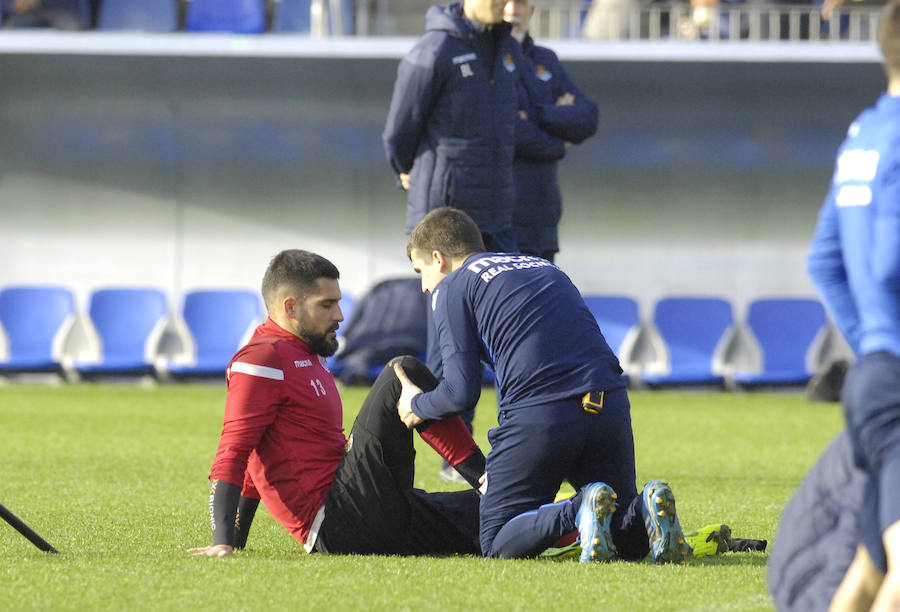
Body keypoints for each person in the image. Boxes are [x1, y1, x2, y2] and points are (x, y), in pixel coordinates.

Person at [394, 207, 692, 562]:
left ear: (439, 259)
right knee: (623, 536)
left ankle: (578, 507)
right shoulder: (542, 266)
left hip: (544, 412)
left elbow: (461, 391)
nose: (424, 286)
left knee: (498, 538)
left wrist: (417, 405)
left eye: (420, 270)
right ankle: (643, 507)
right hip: (608, 400)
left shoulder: (452, 286)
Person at [188, 249, 488, 557]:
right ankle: (485, 477)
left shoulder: (306, 352)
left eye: (338, 302)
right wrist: (223, 540)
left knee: (501, 509)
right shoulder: (262, 359)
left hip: (367, 510)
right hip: (337, 519)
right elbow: (235, 449)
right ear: (290, 307)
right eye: (327, 305)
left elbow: (257, 451)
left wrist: (237, 537)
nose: (340, 315)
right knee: (401, 373)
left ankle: (501, 493)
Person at [805, 0, 900, 607]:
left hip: (876, 376)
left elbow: (825, 261)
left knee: (871, 564)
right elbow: (891, 261)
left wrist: (871, 344)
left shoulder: (865, 130)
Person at [505, 0, 598, 263]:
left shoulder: (545, 59)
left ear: (532, 10)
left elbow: (588, 117)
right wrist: (560, 139)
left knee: (543, 302)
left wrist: (535, 114)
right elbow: (510, 130)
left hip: (543, 219)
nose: (513, 10)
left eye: (521, 3)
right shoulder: (488, 60)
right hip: (501, 221)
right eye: (506, 3)